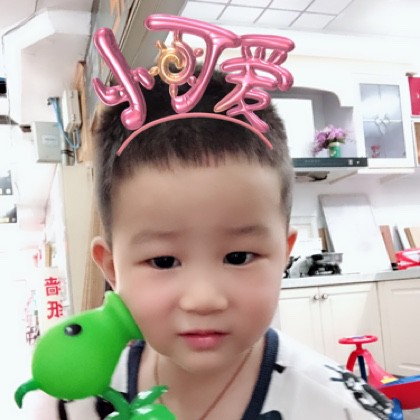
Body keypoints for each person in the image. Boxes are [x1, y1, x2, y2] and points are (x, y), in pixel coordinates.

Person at [23, 16, 393, 420]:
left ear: (284, 254)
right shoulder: (70, 402)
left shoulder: (342, 408)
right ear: (112, 268)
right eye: (163, 261)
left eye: (239, 257)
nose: (204, 299)